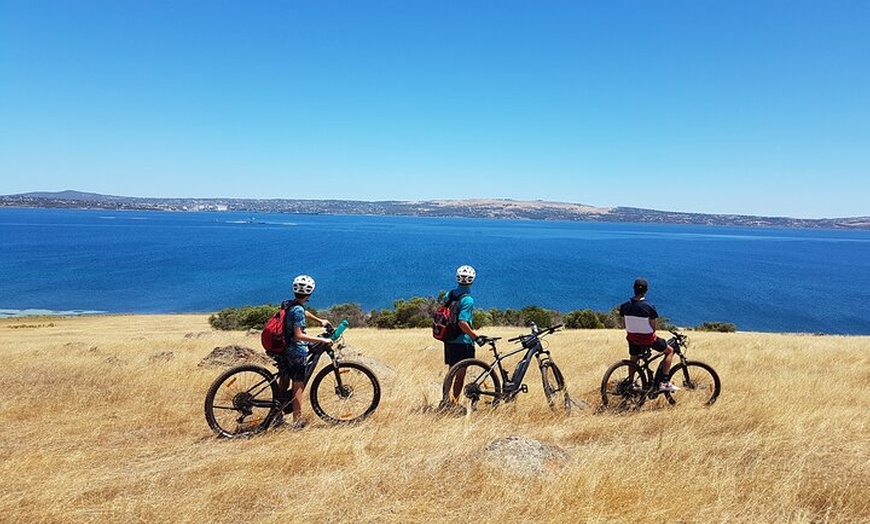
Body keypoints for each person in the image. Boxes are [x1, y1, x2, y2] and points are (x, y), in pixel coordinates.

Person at [274, 274, 332, 429]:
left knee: (284, 378)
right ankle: (297, 421)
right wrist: (323, 340)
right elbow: (299, 335)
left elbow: (302, 312)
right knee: (298, 385)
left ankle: (277, 416)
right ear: (310, 293)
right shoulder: (298, 309)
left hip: (283, 347)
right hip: (296, 351)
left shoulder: (289, 304)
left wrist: (320, 321)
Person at [617, 278, 680, 392]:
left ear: (634, 289)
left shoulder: (624, 306)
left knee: (633, 358)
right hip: (648, 340)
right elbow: (653, 328)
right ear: (646, 290)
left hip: (632, 338)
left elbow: (623, 324)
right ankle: (664, 382)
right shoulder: (649, 307)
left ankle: (631, 382)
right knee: (669, 351)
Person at [443, 265, 487, 402]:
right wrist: (476, 337)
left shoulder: (449, 294)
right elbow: (462, 322)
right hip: (463, 342)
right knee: (460, 375)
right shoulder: (468, 299)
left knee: (451, 372)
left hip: (449, 339)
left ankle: (445, 400)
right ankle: (455, 402)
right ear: (472, 281)